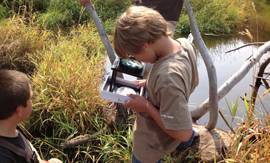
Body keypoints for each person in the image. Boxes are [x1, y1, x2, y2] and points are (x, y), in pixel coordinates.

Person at [113, 6, 199, 163]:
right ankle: (189, 141)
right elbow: (178, 82)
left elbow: (183, 133)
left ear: (145, 45)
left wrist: (146, 107)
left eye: (134, 55)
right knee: (181, 124)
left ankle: (184, 142)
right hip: (173, 109)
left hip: (152, 146)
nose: (137, 60)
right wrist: (149, 82)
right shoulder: (183, 44)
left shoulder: (168, 78)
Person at [0, 69, 62, 163]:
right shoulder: (4, 157)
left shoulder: (11, 127)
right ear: (19, 110)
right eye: (31, 98)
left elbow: (28, 150)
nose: (33, 101)